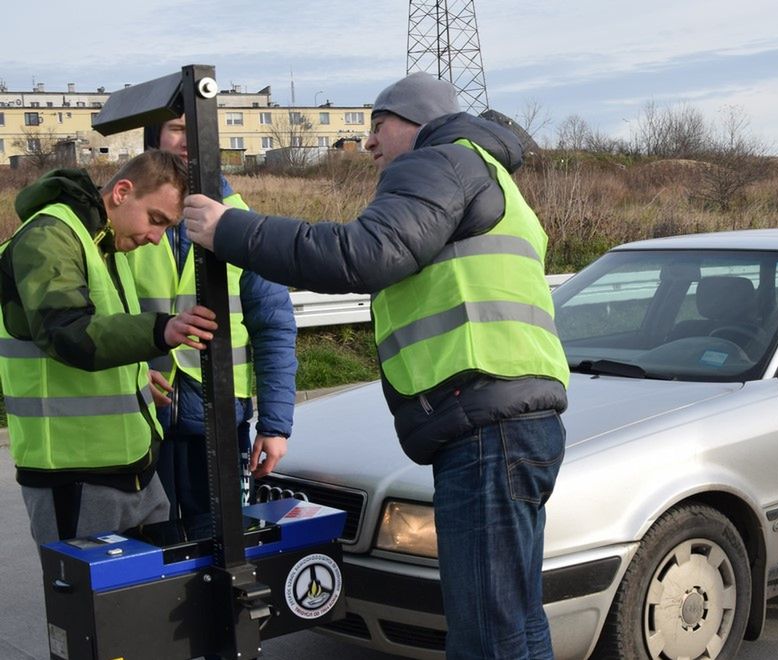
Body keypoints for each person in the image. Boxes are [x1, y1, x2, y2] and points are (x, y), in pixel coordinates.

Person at [182, 72, 569, 658]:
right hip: (520, 422)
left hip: (487, 428)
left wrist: (228, 228)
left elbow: (362, 254)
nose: (368, 144)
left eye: (378, 125)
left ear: (415, 122)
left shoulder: (438, 163)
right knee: (516, 622)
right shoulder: (495, 182)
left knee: (487, 637)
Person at [0, 151, 218, 544]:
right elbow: (68, 334)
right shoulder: (49, 236)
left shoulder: (103, 243)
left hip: (132, 472)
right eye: (155, 220)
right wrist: (162, 330)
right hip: (75, 477)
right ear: (121, 192)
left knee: (153, 599)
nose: (155, 239)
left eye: (166, 228)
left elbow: (104, 336)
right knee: (92, 604)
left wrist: (134, 377)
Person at [131, 115, 297, 538]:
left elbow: (273, 324)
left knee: (223, 548)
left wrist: (275, 425)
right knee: (154, 553)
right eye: (176, 129)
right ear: (154, 138)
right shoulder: (126, 217)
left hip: (221, 419)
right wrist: (124, 377)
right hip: (142, 418)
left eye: (198, 128)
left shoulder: (244, 222)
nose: (188, 142)